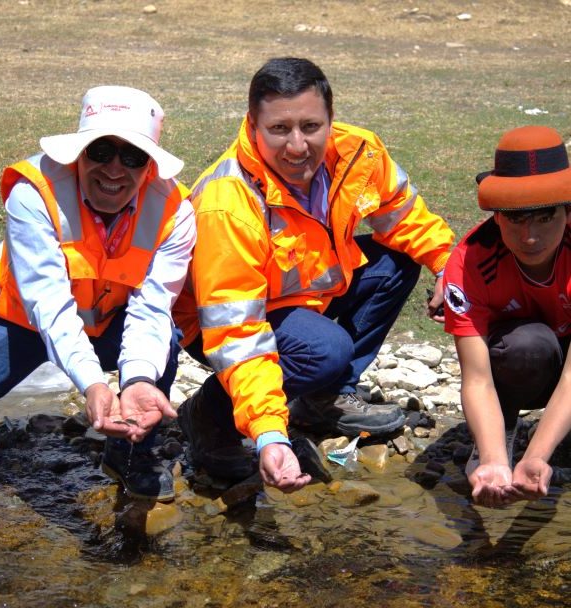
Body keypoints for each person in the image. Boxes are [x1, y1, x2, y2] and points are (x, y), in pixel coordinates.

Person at [173, 57, 453, 492]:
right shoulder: (227, 203)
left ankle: (326, 397)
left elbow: (403, 218)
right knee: (324, 350)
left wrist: (449, 266)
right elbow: (236, 333)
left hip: (305, 292)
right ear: (253, 124)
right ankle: (208, 416)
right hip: (223, 324)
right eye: (279, 129)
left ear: (330, 119)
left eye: (310, 126)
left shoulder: (359, 153)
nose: (297, 146)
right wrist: (269, 433)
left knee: (396, 263)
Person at [0, 85, 196, 502]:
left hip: (108, 322)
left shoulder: (175, 211)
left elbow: (152, 309)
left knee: (164, 342)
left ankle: (130, 453)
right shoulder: (33, 193)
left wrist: (138, 378)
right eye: (101, 151)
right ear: (78, 153)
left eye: (132, 157)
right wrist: (94, 383)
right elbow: (49, 304)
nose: (114, 170)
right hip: (18, 319)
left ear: (149, 165)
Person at [443, 125, 571, 508]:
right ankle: (503, 432)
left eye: (545, 217)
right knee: (527, 346)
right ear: (497, 216)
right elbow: (477, 379)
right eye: (515, 219)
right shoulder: (469, 262)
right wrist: (494, 458)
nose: (529, 237)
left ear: (568, 211)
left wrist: (537, 456)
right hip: (522, 362)